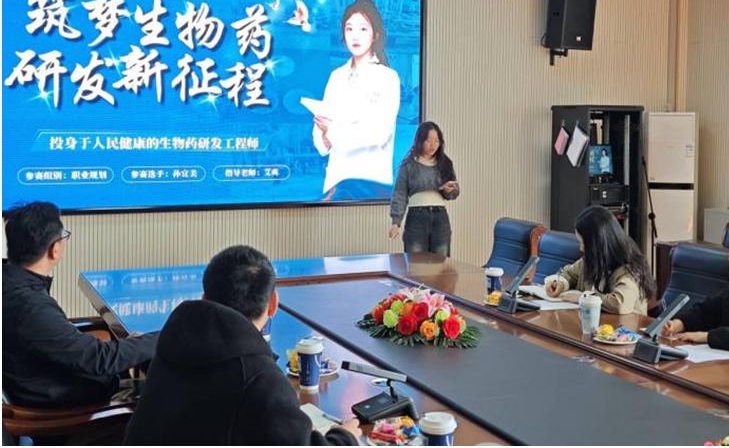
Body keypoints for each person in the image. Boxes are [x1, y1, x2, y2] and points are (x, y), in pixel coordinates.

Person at [124, 245, 360, 446]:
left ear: (204, 298)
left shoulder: (173, 340)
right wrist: (345, 436)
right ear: (273, 304)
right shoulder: (258, 377)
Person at [2, 201, 157, 408]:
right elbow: (99, 360)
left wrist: (134, 345)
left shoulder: (12, 283)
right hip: (60, 407)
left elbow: (66, 344)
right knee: (166, 392)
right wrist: (164, 337)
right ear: (55, 249)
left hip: (43, 380)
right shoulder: (30, 306)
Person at [312, 0, 400, 200]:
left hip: (370, 181)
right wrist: (324, 134)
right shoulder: (336, 76)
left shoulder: (387, 77)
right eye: (349, 29)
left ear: (375, 35)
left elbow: (378, 133)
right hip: (337, 179)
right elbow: (321, 133)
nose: (355, 36)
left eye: (363, 29)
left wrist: (332, 130)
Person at [545, 205, 655, 315]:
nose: (581, 248)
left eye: (584, 243)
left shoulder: (630, 269)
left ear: (600, 243)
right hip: (595, 322)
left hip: (623, 325)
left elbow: (619, 303)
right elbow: (568, 273)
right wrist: (560, 283)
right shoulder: (592, 260)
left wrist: (582, 297)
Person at [389, 122, 460, 256]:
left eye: (436, 141)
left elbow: (455, 192)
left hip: (440, 217)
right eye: (428, 140)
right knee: (416, 263)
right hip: (416, 217)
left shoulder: (445, 163)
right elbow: (400, 194)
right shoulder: (409, 165)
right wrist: (396, 222)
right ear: (420, 141)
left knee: (441, 263)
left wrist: (450, 191)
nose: (433, 145)